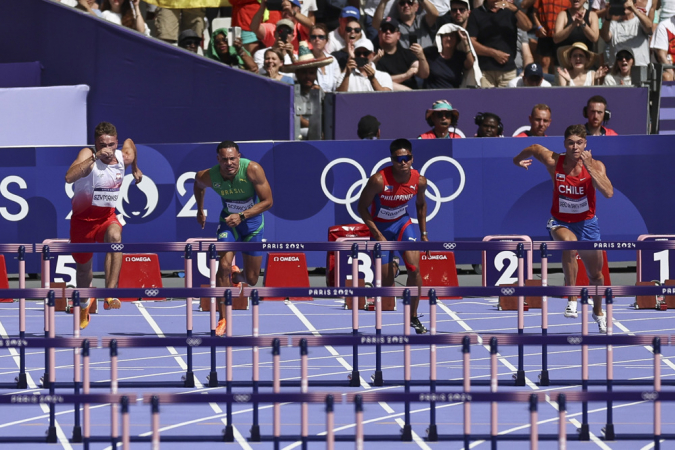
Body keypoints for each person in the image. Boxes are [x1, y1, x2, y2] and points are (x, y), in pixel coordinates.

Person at [512, 124, 614, 333]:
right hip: (560, 222)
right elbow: (533, 147)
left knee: (596, 275)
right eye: (570, 143)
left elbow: (608, 193)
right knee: (569, 244)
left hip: (587, 224)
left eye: (579, 143)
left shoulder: (596, 165)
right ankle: (572, 297)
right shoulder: (553, 161)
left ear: (585, 144)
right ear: (564, 144)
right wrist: (517, 160)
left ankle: (598, 312)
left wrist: (590, 167)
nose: (575, 147)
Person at [64, 122, 142, 330]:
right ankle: (83, 305)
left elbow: (131, 145)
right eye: (102, 145)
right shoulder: (87, 154)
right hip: (82, 222)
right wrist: (94, 157)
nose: (107, 149)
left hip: (106, 218)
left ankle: (110, 293)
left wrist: (135, 169)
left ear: (116, 142)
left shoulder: (123, 157)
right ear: (95, 144)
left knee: (115, 236)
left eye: (111, 144)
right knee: (83, 271)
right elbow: (69, 177)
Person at [193, 141, 274, 336]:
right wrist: (200, 209)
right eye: (225, 159)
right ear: (218, 159)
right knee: (224, 265)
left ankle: (238, 277)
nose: (229, 163)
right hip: (229, 224)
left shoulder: (252, 169)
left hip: (252, 226)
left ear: (239, 157)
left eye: (233, 158)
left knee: (253, 279)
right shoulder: (208, 175)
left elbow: (268, 201)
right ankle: (222, 318)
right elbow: (198, 185)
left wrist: (243, 215)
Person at [357, 138, 429, 334]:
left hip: (403, 224)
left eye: (407, 158)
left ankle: (413, 317)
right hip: (381, 229)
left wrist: (423, 233)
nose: (403, 162)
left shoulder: (419, 181)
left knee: (414, 269)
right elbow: (361, 207)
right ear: (392, 160)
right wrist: (377, 234)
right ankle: (394, 266)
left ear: (412, 158)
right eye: (399, 159)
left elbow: (421, 205)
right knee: (387, 284)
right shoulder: (378, 180)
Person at [467, 0, 532, 87]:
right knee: (486, 100)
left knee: (508, 100)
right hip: (485, 71)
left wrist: (515, 10)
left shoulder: (510, 11)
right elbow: (471, 43)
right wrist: (494, 53)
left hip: (508, 71)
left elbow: (527, 26)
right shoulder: (477, 13)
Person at [375, 17, 429, 90]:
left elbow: (424, 75)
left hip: (411, 98)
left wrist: (421, 57)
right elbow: (378, 80)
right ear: (379, 34)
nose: (388, 32)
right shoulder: (373, 55)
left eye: (392, 29)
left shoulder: (407, 53)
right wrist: (405, 76)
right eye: (384, 29)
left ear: (398, 35)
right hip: (387, 96)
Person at [422, 23, 476, 89]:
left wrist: (465, 41)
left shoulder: (459, 56)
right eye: (446, 35)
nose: (449, 38)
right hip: (432, 94)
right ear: (441, 38)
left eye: (452, 36)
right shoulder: (431, 52)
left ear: (457, 40)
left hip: (452, 94)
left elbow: (470, 64)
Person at [599, 0, 652, 67]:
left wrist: (634, 9)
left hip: (638, 68)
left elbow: (649, 26)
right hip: (618, 70)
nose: (624, 5)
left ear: (635, 5)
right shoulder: (613, 24)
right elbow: (605, 37)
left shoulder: (639, 22)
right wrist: (608, 17)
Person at [373, 0, 440, 49]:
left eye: (410, 2)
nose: (406, 5)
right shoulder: (394, 24)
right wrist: (383, 2)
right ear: (398, 7)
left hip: (427, 60)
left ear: (416, 7)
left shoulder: (423, 19)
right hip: (405, 64)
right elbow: (377, 25)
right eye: (402, 3)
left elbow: (435, 14)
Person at [308, 24, 342, 92]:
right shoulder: (306, 60)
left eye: (321, 37)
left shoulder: (332, 60)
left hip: (330, 100)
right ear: (310, 40)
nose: (317, 39)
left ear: (326, 40)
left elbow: (338, 86)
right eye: (313, 37)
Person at [651, 15, 675, 81]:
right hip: (667, 69)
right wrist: (673, 74)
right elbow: (661, 56)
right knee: (667, 76)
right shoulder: (664, 26)